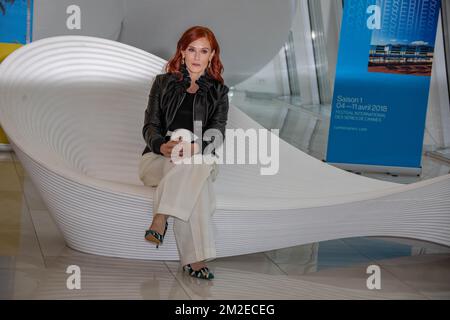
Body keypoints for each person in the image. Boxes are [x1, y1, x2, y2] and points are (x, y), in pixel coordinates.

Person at [138, 25, 229, 280]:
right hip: (158, 159)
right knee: (198, 186)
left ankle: (161, 216)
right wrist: (160, 144)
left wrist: (195, 147)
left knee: (193, 154)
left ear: (212, 55)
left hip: (199, 159)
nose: (197, 57)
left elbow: (217, 133)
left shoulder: (219, 92)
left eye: (204, 51)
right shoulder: (163, 83)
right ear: (182, 51)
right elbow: (150, 125)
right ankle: (195, 260)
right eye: (192, 50)